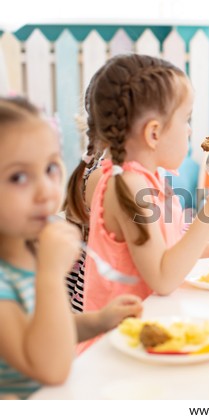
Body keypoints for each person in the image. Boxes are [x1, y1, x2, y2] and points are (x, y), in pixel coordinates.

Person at [67, 54, 209, 312]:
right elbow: (163, 279)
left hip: (150, 322)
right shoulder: (125, 185)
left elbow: (168, 251)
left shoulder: (151, 178)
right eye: (186, 119)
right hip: (118, 340)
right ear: (153, 133)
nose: (190, 131)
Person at [0, 97, 142, 399]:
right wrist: (51, 276)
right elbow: (49, 366)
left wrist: (99, 320)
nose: (45, 190)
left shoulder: (28, 251)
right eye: (19, 177)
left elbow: (43, 330)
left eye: (50, 167)